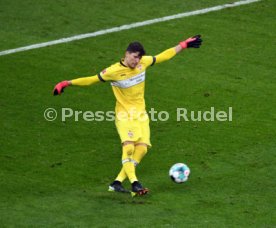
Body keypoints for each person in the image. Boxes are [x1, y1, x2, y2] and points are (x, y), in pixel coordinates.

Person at [53, 35, 202, 196]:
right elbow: (91, 80)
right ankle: (135, 183)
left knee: (142, 149)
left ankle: (116, 183)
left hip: (141, 114)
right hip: (124, 115)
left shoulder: (143, 62)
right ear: (127, 54)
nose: (136, 61)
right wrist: (67, 83)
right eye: (134, 57)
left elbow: (163, 56)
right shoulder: (113, 71)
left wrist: (183, 45)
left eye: (139, 58)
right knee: (129, 146)